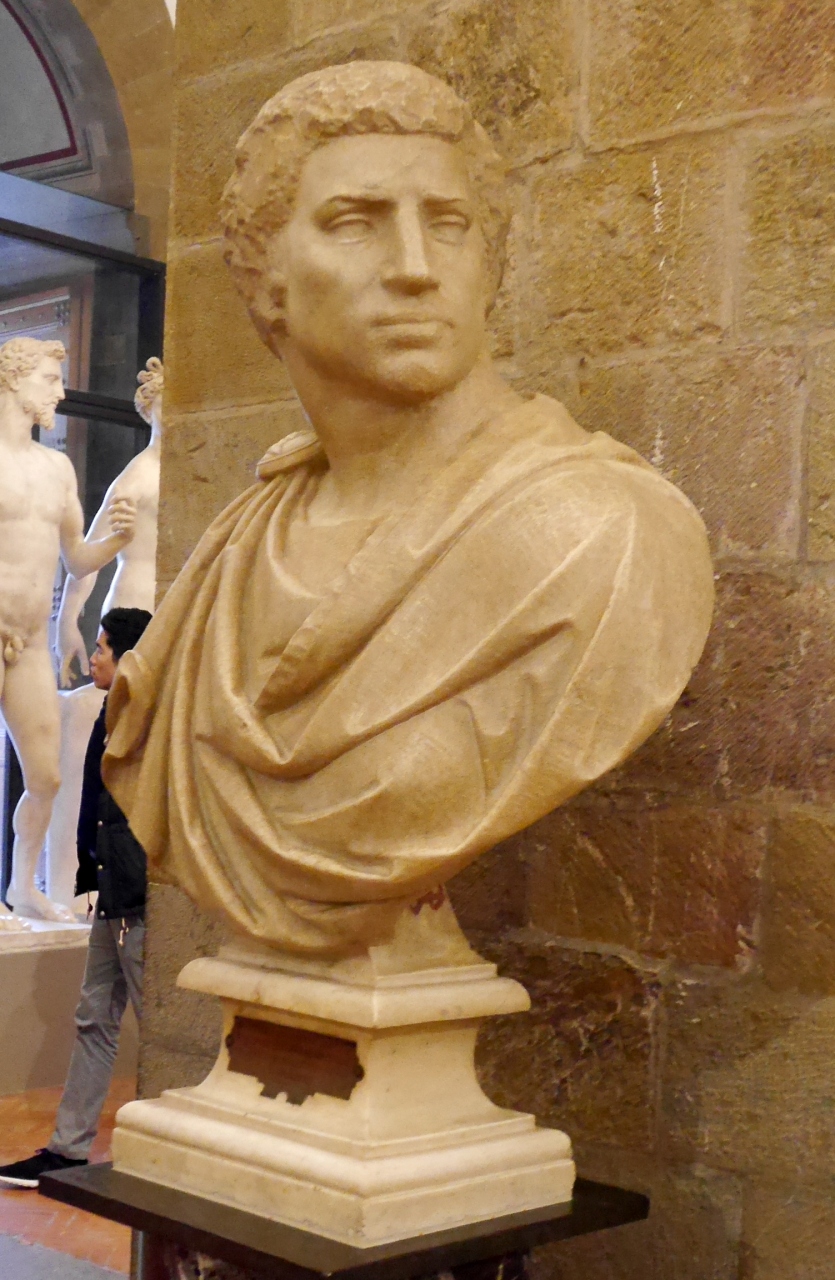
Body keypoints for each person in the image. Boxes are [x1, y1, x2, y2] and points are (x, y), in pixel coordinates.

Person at [102, 62, 714, 961]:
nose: (416, 269)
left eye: (449, 225)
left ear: (487, 266)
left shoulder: (599, 538)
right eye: (355, 223)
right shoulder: (237, 550)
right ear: (266, 275)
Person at [0, 607, 152, 1187]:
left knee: (160, 1024)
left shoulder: (151, 722)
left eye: (104, 647)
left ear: (129, 658)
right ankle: (67, 1149)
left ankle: (180, 1153)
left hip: (139, 899)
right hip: (113, 895)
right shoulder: (111, 716)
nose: (93, 656)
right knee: (94, 1018)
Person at [0, 335, 136, 929]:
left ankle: (21, 887)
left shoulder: (57, 468)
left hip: (29, 640)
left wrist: (118, 540)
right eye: (50, 380)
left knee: (47, 777)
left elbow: (77, 559)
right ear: (15, 379)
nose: (59, 391)